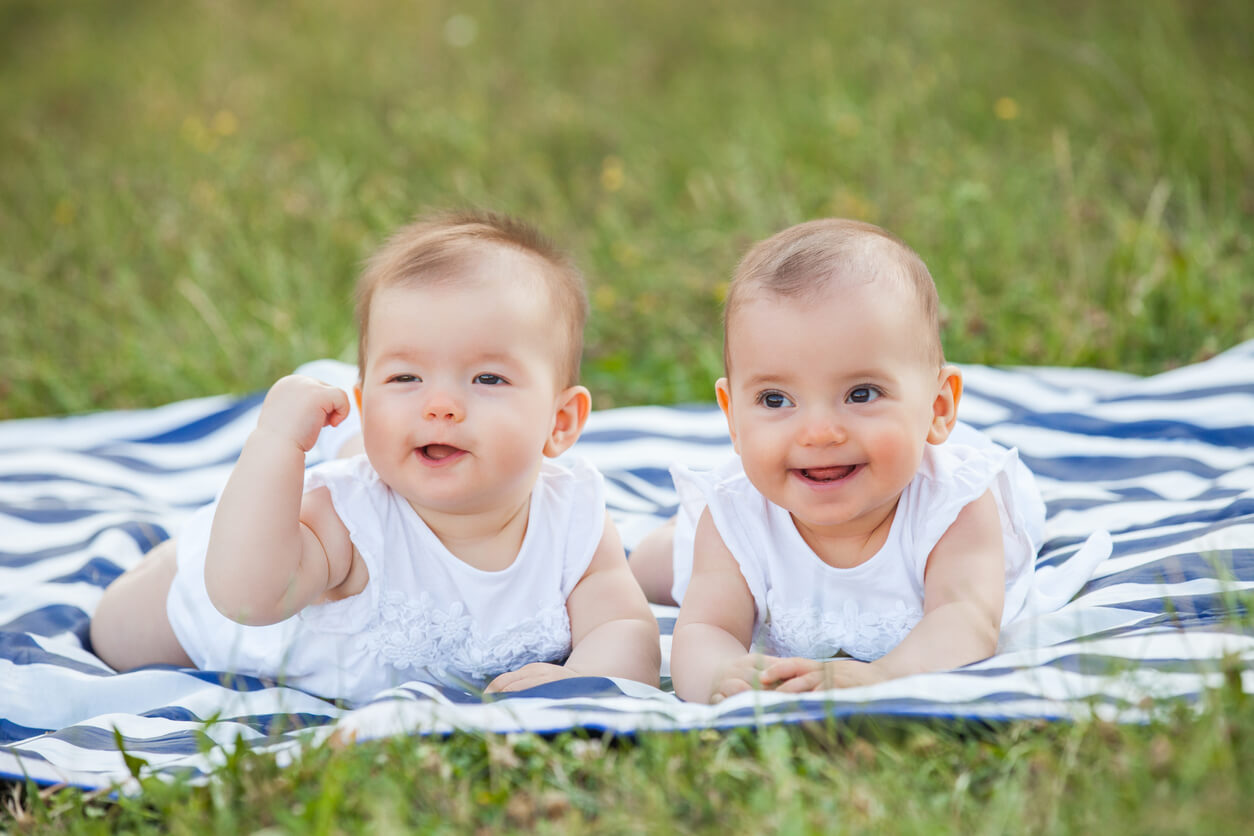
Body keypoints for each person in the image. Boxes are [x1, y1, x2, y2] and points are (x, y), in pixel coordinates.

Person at [90, 210, 661, 703]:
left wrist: (583, 677)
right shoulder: (350, 518)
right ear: (366, 404)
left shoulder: (572, 515)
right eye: (406, 376)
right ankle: (329, 441)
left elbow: (623, 624)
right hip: (210, 587)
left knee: (400, 437)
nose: (442, 405)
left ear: (559, 423)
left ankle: (366, 413)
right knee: (114, 633)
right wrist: (276, 444)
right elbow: (247, 600)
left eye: (486, 378)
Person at [638, 218, 1109, 703]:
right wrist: (719, 673)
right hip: (749, 528)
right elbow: (704, 629)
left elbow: (964, 620)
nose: (819, 432)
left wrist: (884, 676)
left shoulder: (954, 507)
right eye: (776, 400)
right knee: (660, 565)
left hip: (946, 504)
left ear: (938, 408)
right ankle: (667, 534)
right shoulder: (736, 516)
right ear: (733, 418)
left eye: (861, 394)